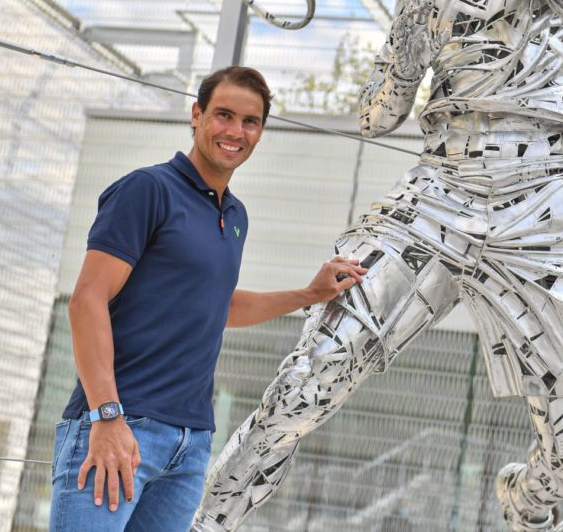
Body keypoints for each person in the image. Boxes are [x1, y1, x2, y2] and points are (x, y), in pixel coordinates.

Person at [194, 0, 563, 530]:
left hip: (543, 210)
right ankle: (207, 521)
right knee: (310, 378)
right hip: (437, 195)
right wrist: (394, 66)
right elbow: (383, 113)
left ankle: (528, 499)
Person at [48, 66, 367, 531]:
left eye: (250, 121)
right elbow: (86, 301)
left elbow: (221, 306)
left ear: (260, 131)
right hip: (121, 425)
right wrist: (107, 416)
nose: (235, 131)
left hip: (191, 442)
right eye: (223, 115)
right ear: (196, 116)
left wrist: (310, 293)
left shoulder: (235, 216)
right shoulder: (148, 190)